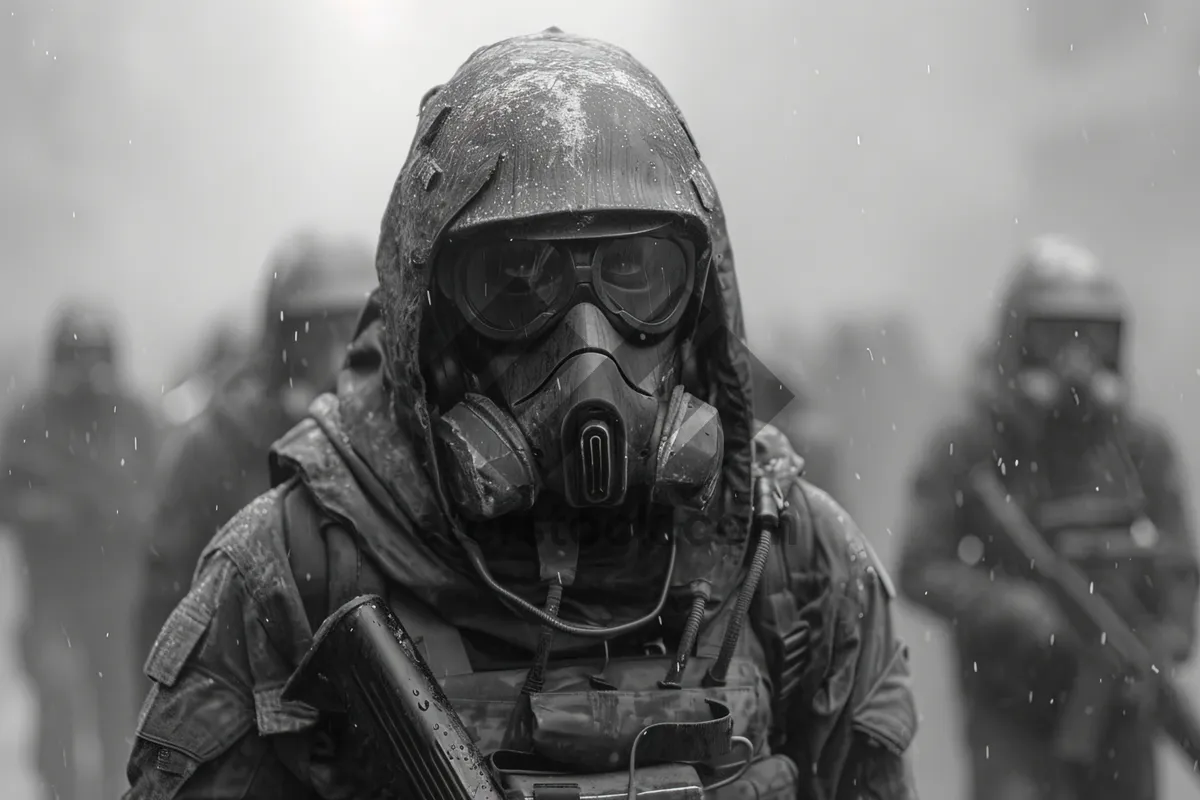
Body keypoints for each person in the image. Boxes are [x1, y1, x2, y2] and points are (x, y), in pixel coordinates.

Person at [126, 30, 919, 799]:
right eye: (515, 281)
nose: (587, 345)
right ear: (426, 315)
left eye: (634, 273)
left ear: (700, 302)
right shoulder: (295, 575)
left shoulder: (790, 553)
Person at [896, 235, 1199, 800]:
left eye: (1093, 336)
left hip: (1122, 703)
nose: (1077, 357)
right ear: (1018, 340)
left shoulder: (1140, 447)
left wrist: (1163, 640)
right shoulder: (973, 443)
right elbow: (919, 566)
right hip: (1010, 706)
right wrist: (1012, 609)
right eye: (1056, 336)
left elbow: (1179, 563)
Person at [137, 232, 376, 666]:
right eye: (317, 331)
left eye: (354, 327)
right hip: (243, 684)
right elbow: (166, 597)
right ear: (283, 341)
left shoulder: (393, 437)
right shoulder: (219, 442)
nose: (339, 352)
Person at [0, 302, 160, 800]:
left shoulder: (135, 417)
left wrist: (116, 513)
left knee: (119, 713)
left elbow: (159, 496)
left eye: (96, 357)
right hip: (54, 597)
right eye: (75, 357)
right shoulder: (31, 417)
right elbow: (7, 493)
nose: (87, 372)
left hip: (118, 595)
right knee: (59, 704)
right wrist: (55, 512)